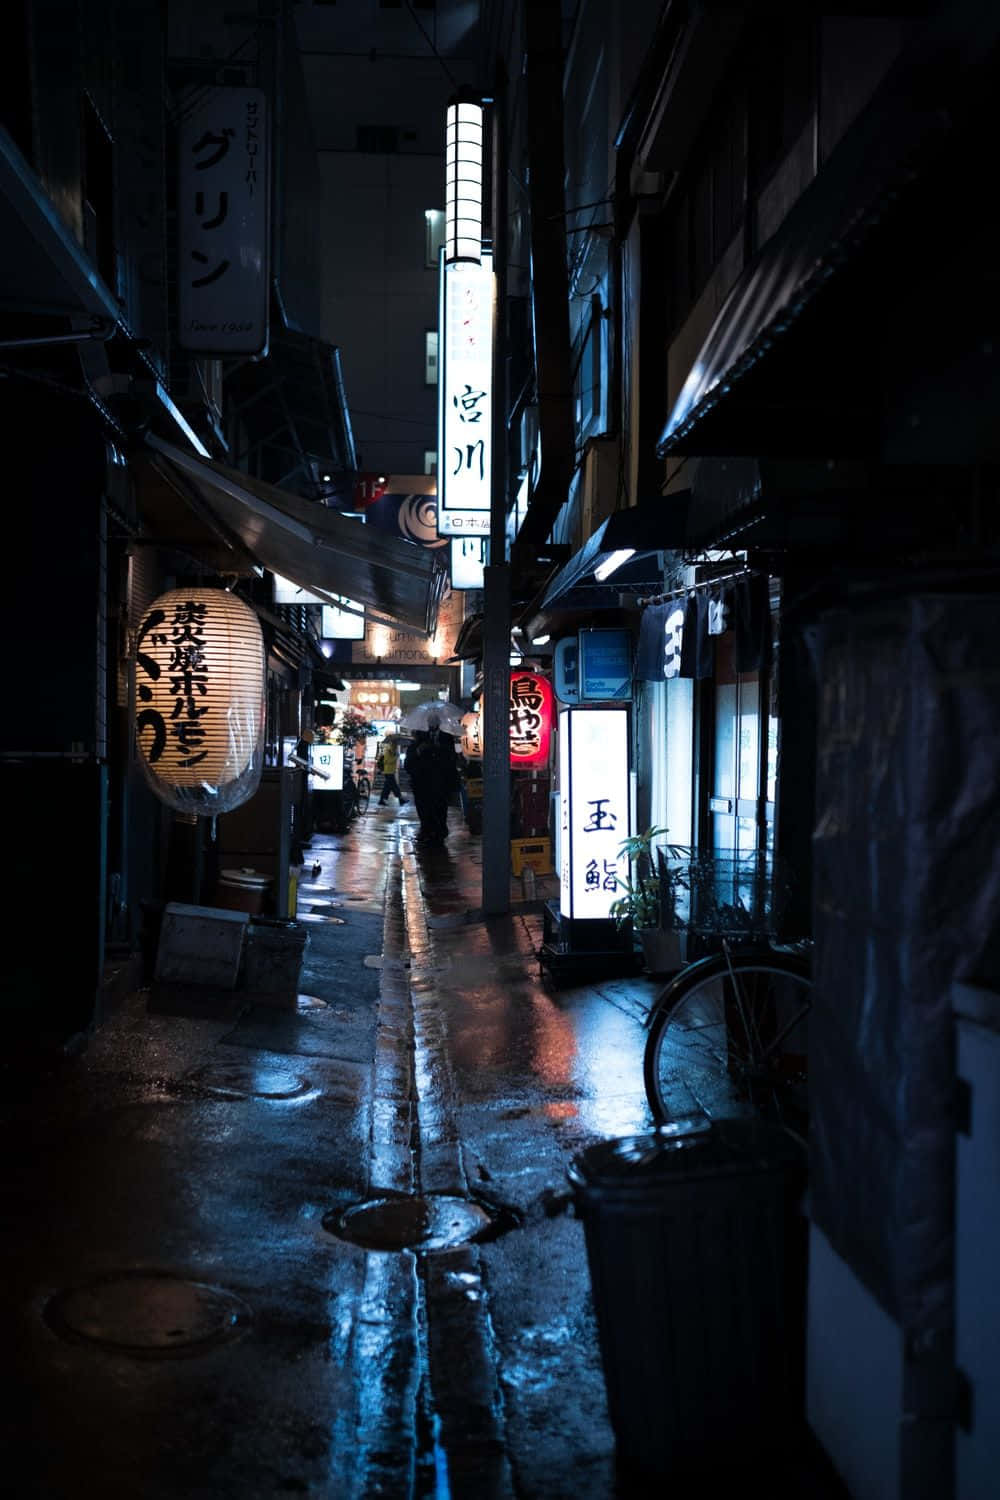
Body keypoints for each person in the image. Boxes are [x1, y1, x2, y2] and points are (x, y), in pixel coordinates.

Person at [403, 713, 459, 846]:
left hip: (441, 781)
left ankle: (439, 831)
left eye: (434, 721)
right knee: (424, 808)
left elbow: (452, 759)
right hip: (422, 781)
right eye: (430, 721)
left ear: (439, 723)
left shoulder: (447, 738)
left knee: (440, 807)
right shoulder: (419, 738)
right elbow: (409, 761)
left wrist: (440, 749)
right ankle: (426, 830)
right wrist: (419, 751)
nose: (432, 724)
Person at [376, 735, 407, 806]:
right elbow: (386, 760)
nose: (396, 744)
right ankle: (400, 799)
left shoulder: (392, 750)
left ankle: (382, 800)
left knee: (387, 787)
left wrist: (395, 756)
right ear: (393, 742)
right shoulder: (389, 750)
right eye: (395, 743)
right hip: (388, 771)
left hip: (390, 771)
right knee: (394, 786)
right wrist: (396, 757)